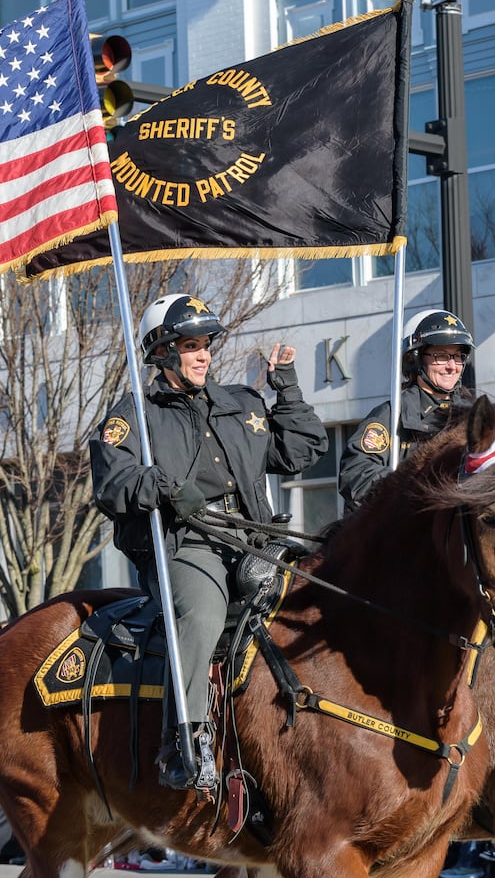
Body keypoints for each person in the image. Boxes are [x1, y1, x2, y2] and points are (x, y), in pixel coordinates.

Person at [90, 293, 327, 790]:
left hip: (255, 537)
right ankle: (185, 740)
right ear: (162, 352)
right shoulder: (135, 412)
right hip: (187, 541)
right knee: (200, 615)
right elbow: (112, 485)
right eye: (191, 346)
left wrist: (286, 387)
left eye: (207, 346)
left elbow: (301, 450)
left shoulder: (241, 402)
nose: (204, 355)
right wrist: (165, 487)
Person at [337, 309, 474, 513]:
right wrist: (415, 483)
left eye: (458, 356)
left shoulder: (472, 417)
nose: (452, 366)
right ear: (414, 359)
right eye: (441, 356)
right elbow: (356, 476)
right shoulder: (391, 416)